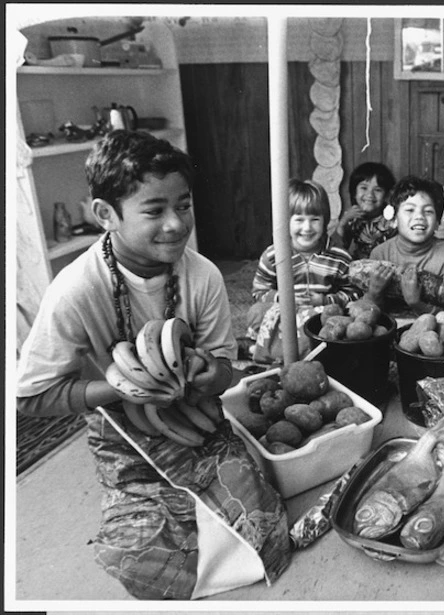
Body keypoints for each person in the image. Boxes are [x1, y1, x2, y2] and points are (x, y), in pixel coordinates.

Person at [16, 130, 290, 599]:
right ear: (106, 215)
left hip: (196, 416)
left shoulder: (201, 275)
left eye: (183, 205)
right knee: (134, 556)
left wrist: (211, 375)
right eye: (154, 210)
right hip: (124, 434)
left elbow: (226, 367)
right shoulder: (75, 290)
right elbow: (30, 397)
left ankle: (211, 537)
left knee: (268, 529)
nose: (175, 224)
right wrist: (120, 389)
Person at [247, 178, 361, 363]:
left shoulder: (339, 257)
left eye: (314, 219)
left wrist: (325, 300)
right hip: (283, 311)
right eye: (299, 220)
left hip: (318, 315)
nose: (307, 228)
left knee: (334, 320)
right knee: (256, 312)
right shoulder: (273, 255)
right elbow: (259, 291)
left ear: (325, 221)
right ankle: (276, 350)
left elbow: (354, 293)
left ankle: (275, 353)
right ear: (286, 221)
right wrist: (282, 298)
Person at [366, 175, 444, 316]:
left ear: (437, 222)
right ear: (394, 220)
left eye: (428, 211)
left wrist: (416, 303)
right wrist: (374, 293)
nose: (419, 217)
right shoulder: (380, 254)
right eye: (410, 210)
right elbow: (370, 314)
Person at [330, 161, 397, 259]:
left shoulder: (392, 220)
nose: (370, 195)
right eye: (364, 188)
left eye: (377, 190)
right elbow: (336, 251)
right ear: (354, 192)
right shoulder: (352, 217)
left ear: (386, 195)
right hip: (361, 268)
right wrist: (342, 223)